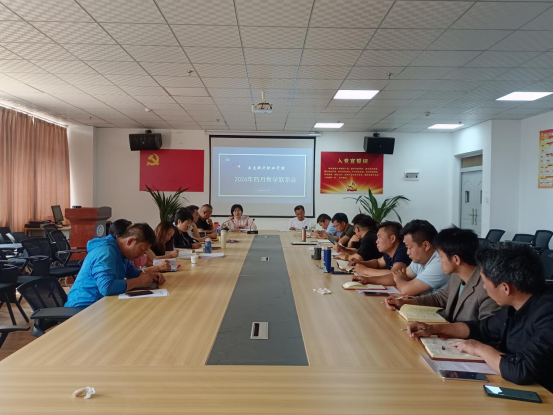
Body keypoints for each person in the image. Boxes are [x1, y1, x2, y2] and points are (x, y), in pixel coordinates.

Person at [408, 242, 553, 393]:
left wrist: (480, 349)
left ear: (505, 288)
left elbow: (521, 370)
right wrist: (434, 328)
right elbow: (483, 328)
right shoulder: (515, 304)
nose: (483, 287)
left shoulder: (548, 315)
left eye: (485, 281)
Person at [385, 227, 500, 322]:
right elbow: (440, 298)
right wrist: (406, 302)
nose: (439, 260)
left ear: (456, 259)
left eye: (440, 256)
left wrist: (441, 329)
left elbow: (486, 330)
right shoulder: (456, 276)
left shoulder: (487, 288)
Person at [65, 223, 166, 308]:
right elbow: (107, 287)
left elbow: (131, 272)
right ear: (130, 241)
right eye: (142, 250)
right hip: (84, 307)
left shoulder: (121, 252)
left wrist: (150, 276)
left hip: (102, 303)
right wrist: (139, 281)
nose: (142, 255)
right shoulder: (106, 253)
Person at [390, 219, 450, 295]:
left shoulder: (440, 262)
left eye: (410, 247)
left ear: (426, 245)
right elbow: (400, 275)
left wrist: (398, 280)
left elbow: (406, 290)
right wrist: (373, 279)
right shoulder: (421, 259)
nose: (408, 252)